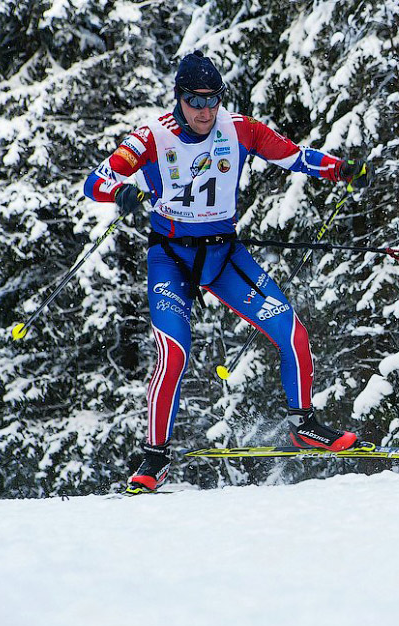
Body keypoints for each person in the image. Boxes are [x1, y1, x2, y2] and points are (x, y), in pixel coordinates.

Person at [84, 51, 370, 493]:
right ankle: (154, 459)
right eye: (194, 100)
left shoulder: (238, 128)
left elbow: (293, 157)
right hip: (171, 259)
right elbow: (95, 182)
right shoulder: (151, 137)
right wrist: (121, 191)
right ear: (178, 98)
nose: (204, 110)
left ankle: (304, 423)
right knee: (174, 354)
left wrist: (341, 170)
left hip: (223, 255)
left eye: (212, 99)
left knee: (292, 332)